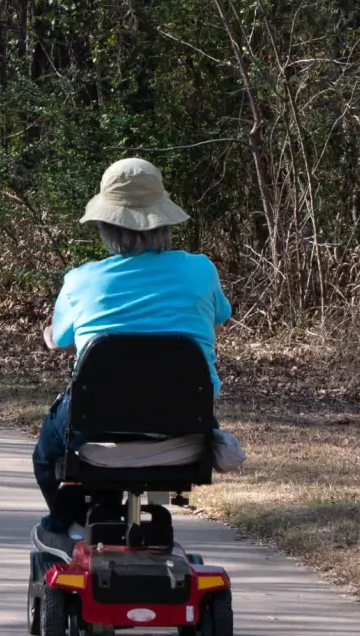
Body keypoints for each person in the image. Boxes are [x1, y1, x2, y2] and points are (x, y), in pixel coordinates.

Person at [32, 157, 232, 537]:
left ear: (106, 225)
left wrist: (52, 334)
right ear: (164, 221)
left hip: (97, 421)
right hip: (185, 417)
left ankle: (69, 524)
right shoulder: (202, 270)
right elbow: (218, 317)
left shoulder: (81, 280)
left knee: (46, 454)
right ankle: (103, 512)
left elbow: (59, 341)